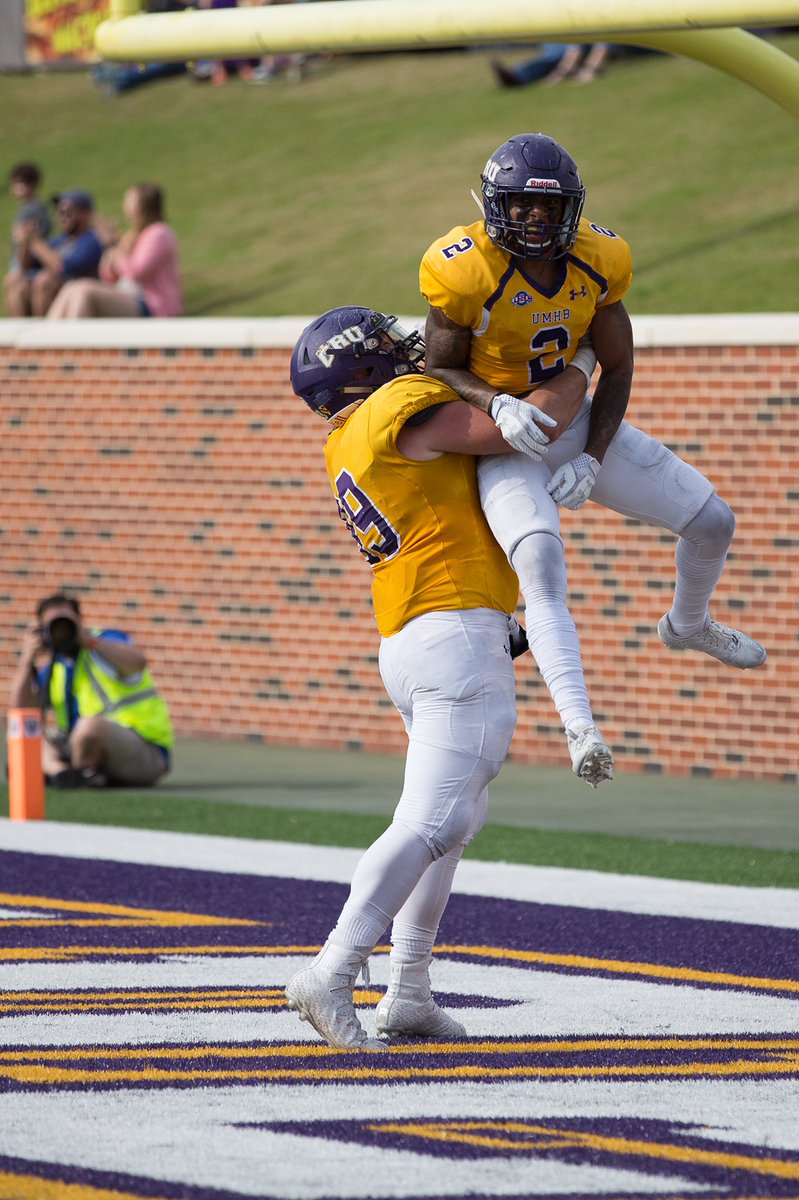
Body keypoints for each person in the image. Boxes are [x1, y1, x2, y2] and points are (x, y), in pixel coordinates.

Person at [284, 305, 593, 1050]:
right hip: (450, 634)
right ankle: (331, 968)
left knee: (454, 823)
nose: (411, 351)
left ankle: (409, 990)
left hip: (416, 636)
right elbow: (522, 429)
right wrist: (580, 368)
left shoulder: (344, 441)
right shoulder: (396, 405)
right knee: (434, 821)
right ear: (365, 369)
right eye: (390, 346)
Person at [419, 132, 766, 783]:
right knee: (542, 565)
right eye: (521, 206)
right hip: (508, 441)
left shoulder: (597, 259)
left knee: (715, 521)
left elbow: (619, 361)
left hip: (573, 423)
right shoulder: (464, 267)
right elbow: (438, 368)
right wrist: (496, 404)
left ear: (569, 210)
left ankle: (686, 624)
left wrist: (594, 455)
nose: (534, 220)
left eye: (547, 209)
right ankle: (580, 728)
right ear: (496, 206)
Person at [9, 593, 173, 789]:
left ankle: (68, 773)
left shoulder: (103, 643)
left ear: (79, 621)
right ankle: (61, 773)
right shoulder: (55, 666)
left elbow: (137, 662)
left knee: (89, 726)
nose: (62, 630)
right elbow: (18, 711)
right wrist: (27, 658)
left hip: (143, 752)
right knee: (25, 730)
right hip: (81, 750)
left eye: (66, 621)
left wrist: (87, 640)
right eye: (54, 625)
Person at [46, 183, 182, 319]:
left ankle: (70, 339)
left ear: (143, 205)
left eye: (129, 200)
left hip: (153, 305)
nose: (125, 205)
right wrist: (109, 247)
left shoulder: (159, 233)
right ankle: (48, 338)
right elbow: (108, 277)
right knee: (71, 287)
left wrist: (116, 253)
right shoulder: (133, 235)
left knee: (84, 291)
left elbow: (138, 272)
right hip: (127, 295)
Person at [5, 189, 103, 317]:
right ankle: (20, 332)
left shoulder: (91, 240)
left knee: (44, 280)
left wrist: (35, 242)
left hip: (76, 295)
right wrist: (25, 242)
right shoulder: (58, 241)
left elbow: (62, 268)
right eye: (60, 211)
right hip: (48, 292)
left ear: (86, 213)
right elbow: (24, 267)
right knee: (14, 280)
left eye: (69, 211)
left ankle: (44, 335)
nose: (63, 214)